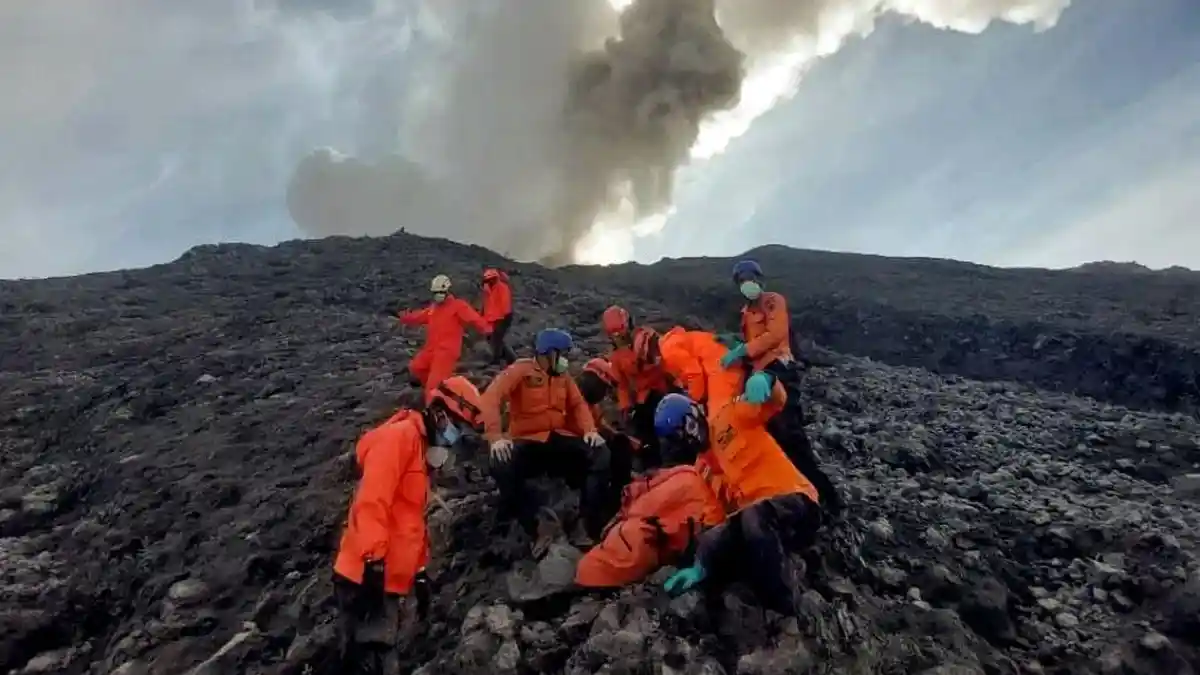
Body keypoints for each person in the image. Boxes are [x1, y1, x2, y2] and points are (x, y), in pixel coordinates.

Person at [331, 376, 485, 675]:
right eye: (456, 426)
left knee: (373, 655)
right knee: (371, 658)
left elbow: (410, 522)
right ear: (440, 413)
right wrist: (373, 562)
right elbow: (372, 501)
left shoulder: (419, 449)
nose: (455, 436)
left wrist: (419, 570)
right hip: (365, 576)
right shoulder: (398, 439)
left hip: (387, 577)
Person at [652, 384, 824, 616]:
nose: (691, 437)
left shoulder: (731, 415)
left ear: (696, 412)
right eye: (680, 437)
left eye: (689, 426)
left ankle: (785, 608)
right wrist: (701, 561)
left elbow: (773, 402)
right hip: (762, 529)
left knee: (754, 516)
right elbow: (716, 521)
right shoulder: (701, 470)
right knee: (716, 540)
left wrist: (767, 382)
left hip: (796, 503)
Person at [719, 260, 842, 515]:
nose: (747, 284)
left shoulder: (772, 301)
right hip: (760, 376)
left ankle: (828, 500)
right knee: (775, 439)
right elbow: (753, 342)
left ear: (760, 280)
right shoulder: (746, 313)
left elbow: (775, 334)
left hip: (780, 371)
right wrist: (736, 346)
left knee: (792, 437)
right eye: (742, 281)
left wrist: (744, 349)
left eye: (750, 278)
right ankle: (794, 496)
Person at [481, 329, 612, 553]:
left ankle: (586, 520)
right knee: (499, 463)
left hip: (555, 440)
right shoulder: (521, 370)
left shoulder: (563, 377)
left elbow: (578, 405)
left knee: (601, 453)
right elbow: (491, 397)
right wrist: (495, 438)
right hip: (526, 442)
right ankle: (535, 526)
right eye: (562, 354)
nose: (565, 360)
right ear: (549, 353)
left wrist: (589, 430)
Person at [398, 274, 492, 403]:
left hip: (446, 351)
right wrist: (405, 317)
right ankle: (442, 390)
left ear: (447, 291)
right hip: (431, 348)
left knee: (433, 385)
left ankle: (433, 406)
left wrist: (487, 329)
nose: (438, 295)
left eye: (441, 292)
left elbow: (474, 318)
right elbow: (420, 317)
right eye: (435, 293)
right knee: (416, 367)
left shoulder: (458, 306)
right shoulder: (433, 308)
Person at [601, 305, 672, 467]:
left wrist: (647, 357)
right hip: (643, 397)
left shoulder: (646, 338)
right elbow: (622, 384)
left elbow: (663, 363)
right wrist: (625, 406)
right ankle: (652, 466)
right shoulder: (617, 356)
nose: (618, 337)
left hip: (662, 389)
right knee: (643, 428)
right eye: (614, 335)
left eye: (620, 332)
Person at [480, 268, 517, 365]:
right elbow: (487, 304)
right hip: (492, 318)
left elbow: (505, 305)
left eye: (493, 278)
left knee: (496, 338)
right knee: (492, 338)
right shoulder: (487, 289)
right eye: (489, 279)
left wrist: (503, 318)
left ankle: (497, 360)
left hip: (503, 317)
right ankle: (510, 358)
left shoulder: (502, 288)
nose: (491, 281)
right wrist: (483, 315)